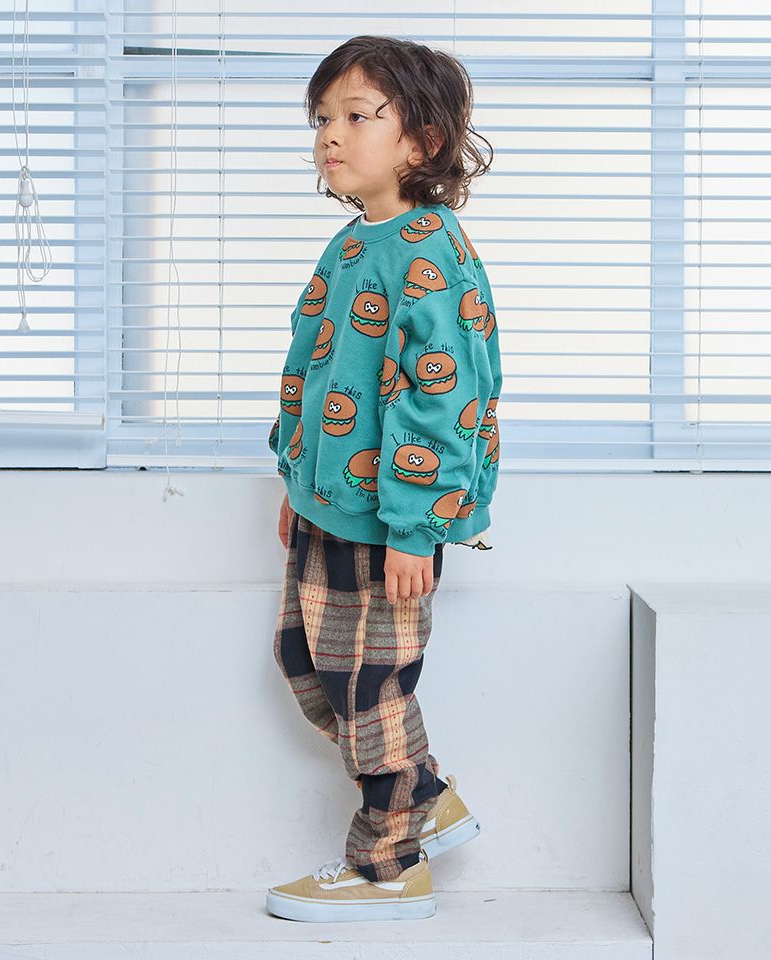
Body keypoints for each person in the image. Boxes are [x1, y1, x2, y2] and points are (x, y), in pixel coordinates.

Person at [265, 34, 501, 923]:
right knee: (305, 663)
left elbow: (442, 399)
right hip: (327, 506)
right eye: (322, 118)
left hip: (390, 518)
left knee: (372, 687)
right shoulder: (353, 242)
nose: (330, 134)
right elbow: (315, 368)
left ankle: (388, 864)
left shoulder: (430, 250)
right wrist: (296, 479)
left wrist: (415, 527)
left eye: (357, 116)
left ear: (424, 141)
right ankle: (423, 790)